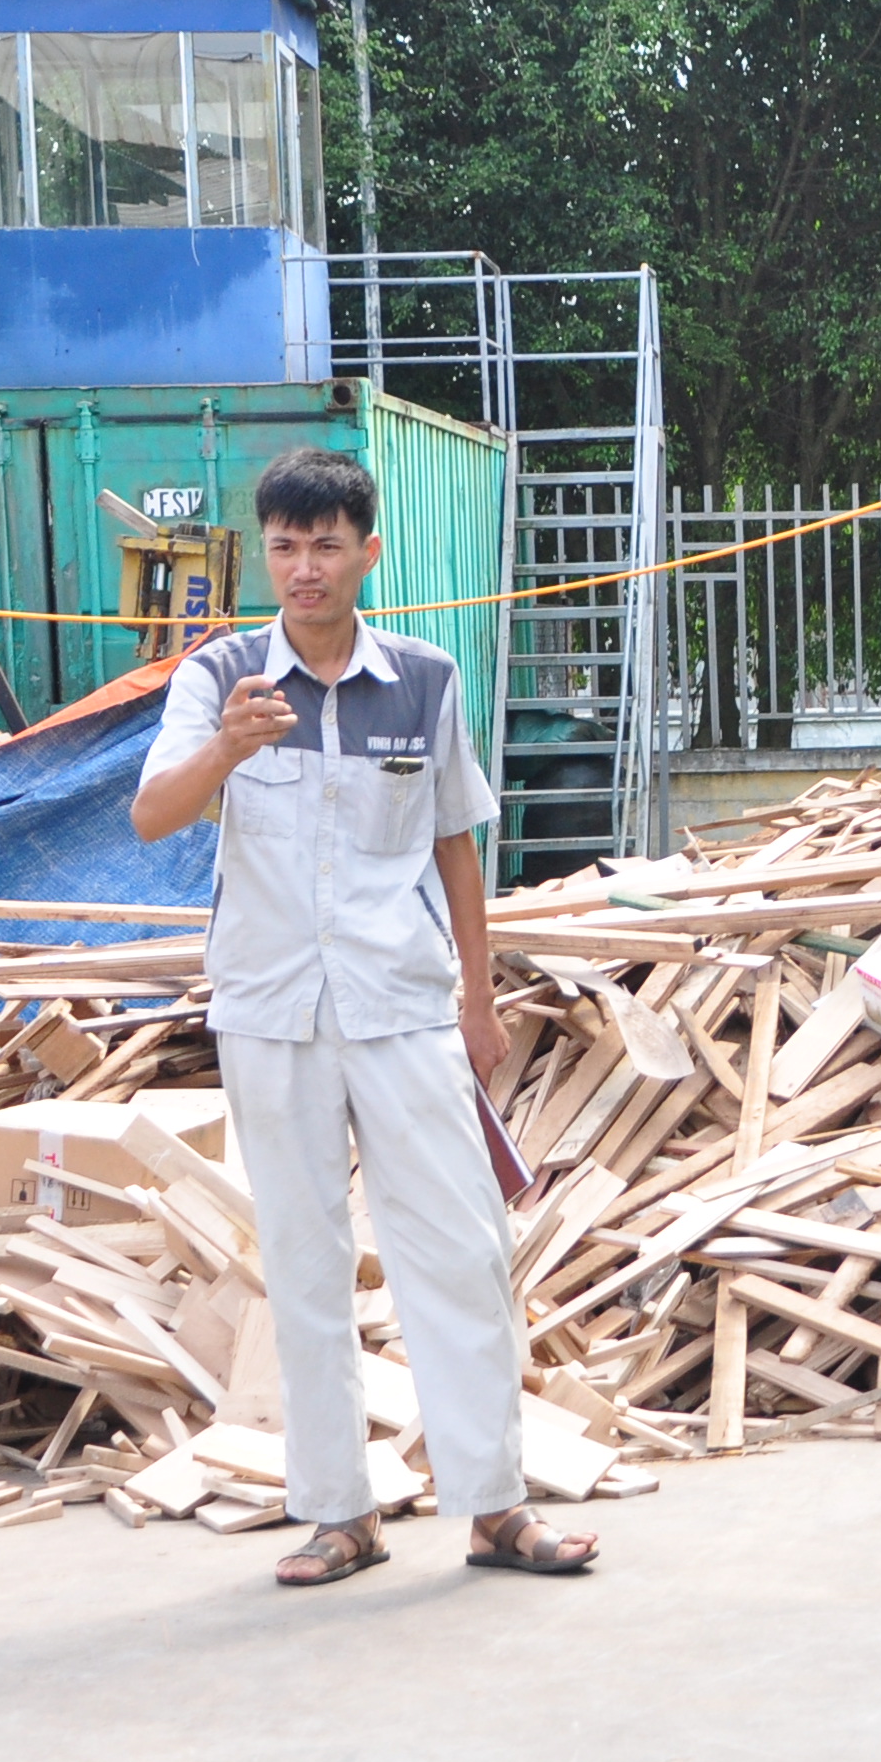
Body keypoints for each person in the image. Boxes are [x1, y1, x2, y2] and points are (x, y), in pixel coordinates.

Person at [129, 448, 595, 1588]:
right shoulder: (221, 677)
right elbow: (150, 816)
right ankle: (340, 1514)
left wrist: (480, 998)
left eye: (326, 544)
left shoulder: (426, 681)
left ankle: (495, 1506)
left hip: (401, 1006)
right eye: (284, 546)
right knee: (302, 1259)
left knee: (460, 1252)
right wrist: (226, 748)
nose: (304, 567)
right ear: (266, 554)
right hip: (270, 1007)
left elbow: (455, 843)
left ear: (367, 553)